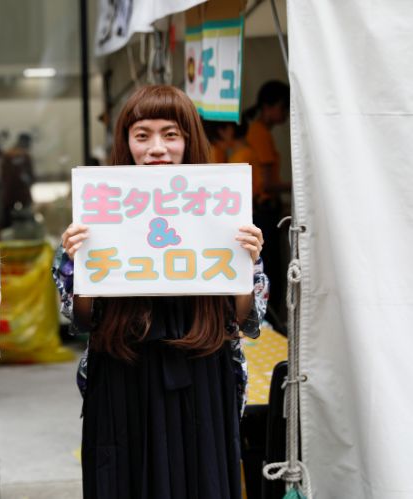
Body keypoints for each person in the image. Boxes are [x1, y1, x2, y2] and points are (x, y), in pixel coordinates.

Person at [54, 85, 269, 498]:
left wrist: (247, 264)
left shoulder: (226, 211)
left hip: (203, 376)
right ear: (126, 143)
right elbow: (81, 320)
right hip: (123, 376)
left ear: (189, 140)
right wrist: (79, 263)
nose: (157, 148)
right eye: (142, 135)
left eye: (171, 134)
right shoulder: (98, 211)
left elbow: (245, 319)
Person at [244, 80, 291, 330]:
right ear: (268, 106)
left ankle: (269, 323)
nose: (284, 114)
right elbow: (268, 183)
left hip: (265, 209)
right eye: (283, 108)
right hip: (262, 212)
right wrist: (298, 185)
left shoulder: (260, 132)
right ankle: (269, 325)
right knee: (268, 271)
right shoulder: (259, 134)